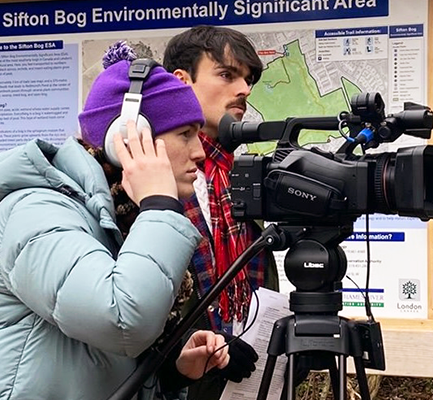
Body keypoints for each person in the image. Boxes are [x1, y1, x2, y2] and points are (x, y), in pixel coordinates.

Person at [0, 42, 255, 400]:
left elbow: (98, 364)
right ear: (127, 138)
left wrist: (171, 371)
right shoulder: (38, 211)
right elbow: (122, 320)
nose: (199, 152)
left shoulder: (121, 221)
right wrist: (159, 204)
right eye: (185, 134)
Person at [162, 25, 278, 400]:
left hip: (238, 383)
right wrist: (201, 345)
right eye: (227, 75)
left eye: (248, 80)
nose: (244, 89)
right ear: (181, 81)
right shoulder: (152, 173)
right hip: (175, 384)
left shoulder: (236, 175)